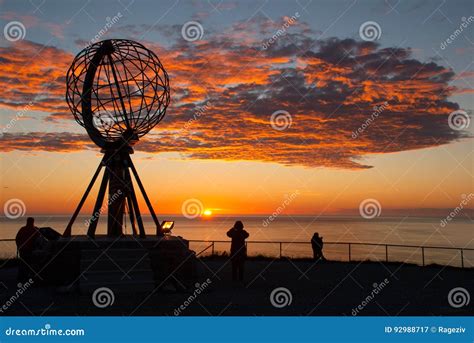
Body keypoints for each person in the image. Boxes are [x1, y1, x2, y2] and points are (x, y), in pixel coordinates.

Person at [15, 217, 40, 282]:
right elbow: (39, 239)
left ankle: (21, 277)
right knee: (30, 263)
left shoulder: (22, 229)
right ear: (33, 222)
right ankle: (28, 277)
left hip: (22, 249)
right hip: (29, 249)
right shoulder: (35, 230)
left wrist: (18, 246)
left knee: (23, 263)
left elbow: (17, 238)